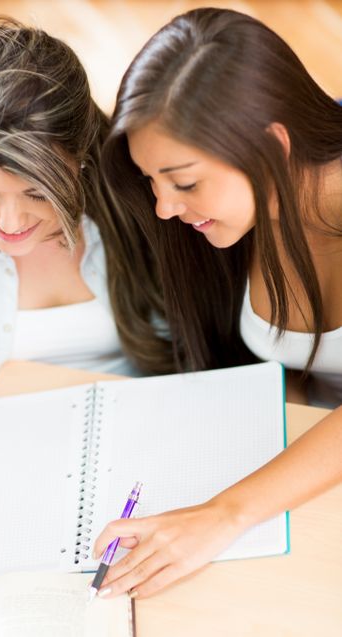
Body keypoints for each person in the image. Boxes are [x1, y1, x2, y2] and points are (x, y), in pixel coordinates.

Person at [0, 18, 172, 553]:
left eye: (39, 192)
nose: (12, 222)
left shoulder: (150, 199)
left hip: (151, 457)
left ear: (80, 155)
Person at [93, 8, 342, 599]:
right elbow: (289, 370)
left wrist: (223, 514)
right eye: (152, 180)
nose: (164, 208)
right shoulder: (225, 221)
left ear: (273, 145)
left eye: (184, 182)